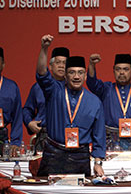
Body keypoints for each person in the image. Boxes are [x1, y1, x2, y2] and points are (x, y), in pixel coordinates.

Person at [36, 35, 105, 176]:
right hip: (53, 153)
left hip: (80, 156)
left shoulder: (95, 101)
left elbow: (99, 136)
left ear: (85, 76)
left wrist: (98, 163)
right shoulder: (54, 91)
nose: (76, 77)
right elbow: (42, 73)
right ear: (65, 76)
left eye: (80, 73)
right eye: (72, 72)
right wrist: (44, 48)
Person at [87, 53, 131, 152]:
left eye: (126, 69)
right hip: (109, 144)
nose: (122, 72)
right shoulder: (106, 89)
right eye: (118, 69)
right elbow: (92, 84)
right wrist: (92, 65)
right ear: (113, 71)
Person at [23, 47, 69, 147]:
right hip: (44, 135)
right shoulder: (38, 87)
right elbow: (27, 109)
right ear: (50, 66)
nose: (61, 66)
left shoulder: (73, 88)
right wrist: (29, 122)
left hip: (67, 135)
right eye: (58, 62)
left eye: (64, 63)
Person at [0, 47, 23, 156]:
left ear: (3, 64)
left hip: (2, 139)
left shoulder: (11, 87)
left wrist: (16, 142)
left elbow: (17, 116)